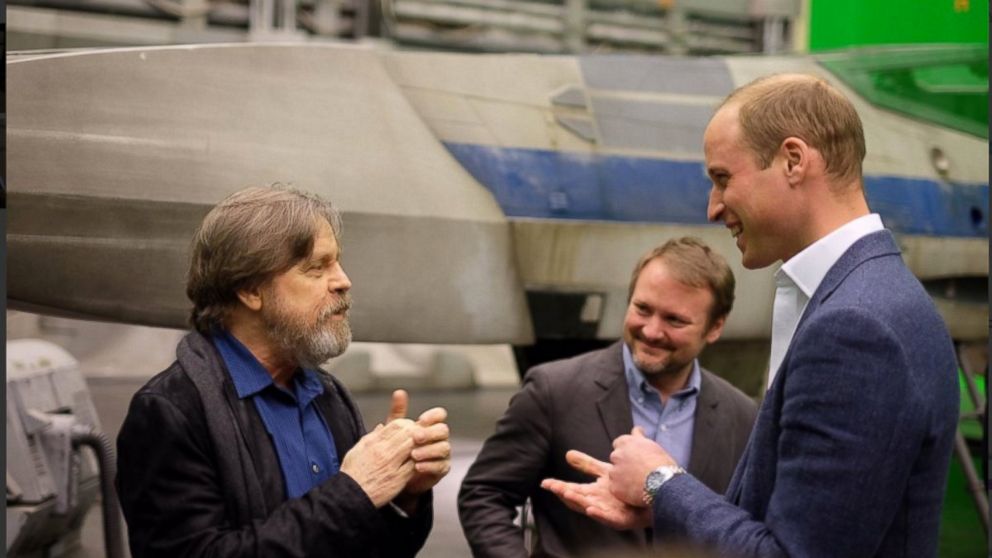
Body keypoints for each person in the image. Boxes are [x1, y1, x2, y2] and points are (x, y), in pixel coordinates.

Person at [542, 74, 959, 557]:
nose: (713, 208)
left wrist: (662, 481)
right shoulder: (878, 296)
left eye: (723, 179)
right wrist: (668, 508)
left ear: (794, 160)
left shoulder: (857, 328)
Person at [116, 186, 452, 557]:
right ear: (250, 290)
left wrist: (403, 495)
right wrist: (353, 492)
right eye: (316, 267)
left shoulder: (327, 395)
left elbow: (369, 545)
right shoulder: (170, 412)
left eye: (337, 262)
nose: (343, 280)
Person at [459, 237, 758, 557]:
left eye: (675, 320)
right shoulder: (554, 391)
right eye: (643, 309)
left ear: (715, 327)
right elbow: (484, 495)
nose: (652, 331)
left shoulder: (743, 416)